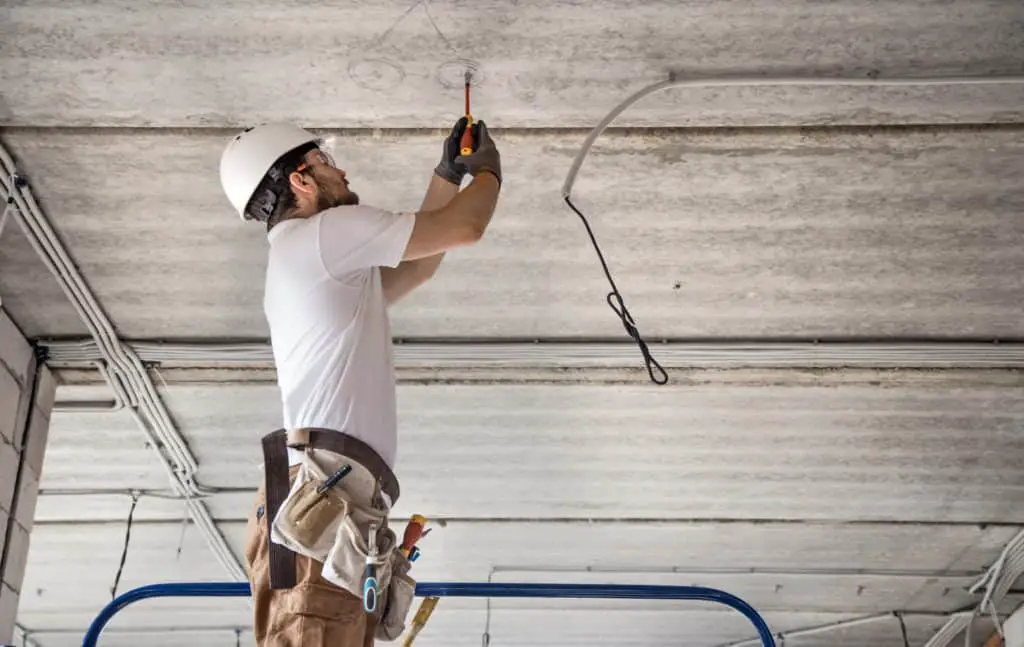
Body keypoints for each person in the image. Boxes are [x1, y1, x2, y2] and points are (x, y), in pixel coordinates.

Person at [218, 117, 502, 646]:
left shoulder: (310, 258)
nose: (341, 169)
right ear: (300, 181)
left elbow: (417, 267)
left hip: (326, 508)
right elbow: (467, 228)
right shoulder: (322, 236)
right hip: (323, 508)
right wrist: (488, 174)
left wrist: (449, 176)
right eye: (325, 161)